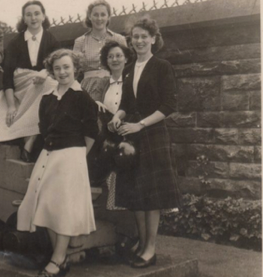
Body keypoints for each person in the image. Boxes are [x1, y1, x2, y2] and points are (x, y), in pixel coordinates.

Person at [108, 17, 182, 268]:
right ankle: (141, 242)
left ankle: (150, 248)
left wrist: (140, 124)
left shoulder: (162, 66)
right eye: (135, 37)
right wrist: (117, 117)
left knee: (152, 195)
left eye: (143, 36)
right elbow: (126, 105)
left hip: (152, 134)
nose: (139, 41)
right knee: (135, 193)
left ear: (153, 39)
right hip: (132, 135)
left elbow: (169, 106)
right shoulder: (129, 69)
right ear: (130, 41)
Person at [17, 49, 98, 277]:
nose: (62, 72)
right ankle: (59, 257)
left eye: (66, 67)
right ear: (52, 71)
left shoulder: (82, 97)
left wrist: (77, 157)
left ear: (75, 69)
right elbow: (44, 129)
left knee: (63, 208)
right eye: (58, 68)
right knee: (46, 205)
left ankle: (58, 258)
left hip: (71, 156)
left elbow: (92, 132)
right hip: (48, 155)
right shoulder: (47, 98)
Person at [0, 0, 60, 162]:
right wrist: (11, 105)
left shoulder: (51, 40)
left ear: (44, 16)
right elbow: (8, 76)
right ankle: (29, 134)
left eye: (37, 13)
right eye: (29, 14)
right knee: (50, 86)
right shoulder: (15, 42)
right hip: (20, 83)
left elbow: (57, 64)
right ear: (24, 19)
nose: (33, 18)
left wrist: (44, 72)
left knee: (52, 86)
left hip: (43, 81)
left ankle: (31, 137)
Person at [88, 41, 132, 210]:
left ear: (126, 58)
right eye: (110, 56)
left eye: (119, 56)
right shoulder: (102, 83)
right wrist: (97, 102)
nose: (115, 59)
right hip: (107, 133)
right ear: (106, 61)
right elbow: (94, 103)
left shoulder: (131, 81)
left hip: (126, 131)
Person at [73, 0, 127, 102]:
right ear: (89, 17)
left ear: (108, 17)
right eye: (95, 15)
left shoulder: (119, 39)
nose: (99, 18)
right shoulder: (80, 41)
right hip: (88, 87)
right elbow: (74, 70)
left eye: (103, 15)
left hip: (114, 84)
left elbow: (127, 65)